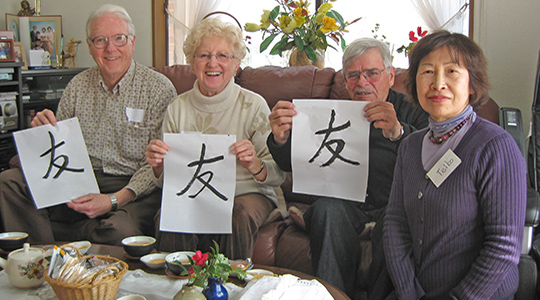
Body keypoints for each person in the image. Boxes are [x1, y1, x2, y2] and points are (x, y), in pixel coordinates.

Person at [0, 4, 177, 245]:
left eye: (119, 39)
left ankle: (56, 241)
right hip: (78, 180)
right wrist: (42, 133)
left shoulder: (159, 89)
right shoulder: (76, 86)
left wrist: (112, 200)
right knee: (10, 182)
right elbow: (57, 149)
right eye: (100, 40)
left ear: (132, 42)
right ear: (91, 47)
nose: (110, 48)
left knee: (120, 233)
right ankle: (41, 261)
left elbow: (158, 167)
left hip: (131, 187)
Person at [267, 38, 429, 299]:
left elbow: (429, 158)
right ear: (344, 81)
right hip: (345, 203)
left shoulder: (413, 110)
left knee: (394, 223)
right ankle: (332, 296)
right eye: (353, 75)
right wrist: (281, 139)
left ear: (390, 76)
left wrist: (398, 132)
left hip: (392, 204)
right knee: (327, 211)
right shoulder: (326, 111)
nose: (362, 82)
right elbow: (290, 164)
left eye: (372, 73)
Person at [383, 30, 526, 300]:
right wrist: (408, 292)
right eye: (427, 72)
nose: (438, 83)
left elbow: (503, 246)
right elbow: (395, 224)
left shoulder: (496, 146)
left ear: (472, 84)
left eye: (452, 72)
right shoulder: (410, 146)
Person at [145, 17, 285, 260]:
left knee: (236, 213)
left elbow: (278, 174)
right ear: (191, 62)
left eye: (223, 55)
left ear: (237, 63)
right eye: (203, 55)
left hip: (247, 194)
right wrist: (158, 166)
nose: (213, 63)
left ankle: (231, 289)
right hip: (193, 194)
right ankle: (175, 292)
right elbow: (165, 183)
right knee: (167, 214)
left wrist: (255, 164)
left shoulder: (253, 105)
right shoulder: (177, 108)